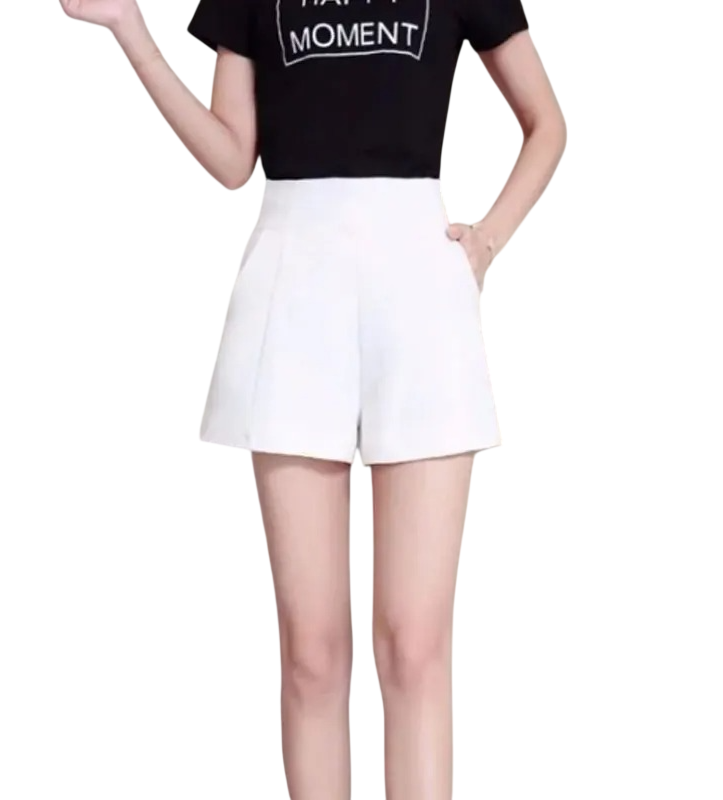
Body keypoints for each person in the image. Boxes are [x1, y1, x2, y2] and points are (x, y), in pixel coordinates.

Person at [59, 0, 566, 796]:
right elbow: (234, 156)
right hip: (293, 288)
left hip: (420, 296)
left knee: (415, 646)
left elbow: (546, 124)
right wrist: (132, 30)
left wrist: (487, 241)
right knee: (311, 655)